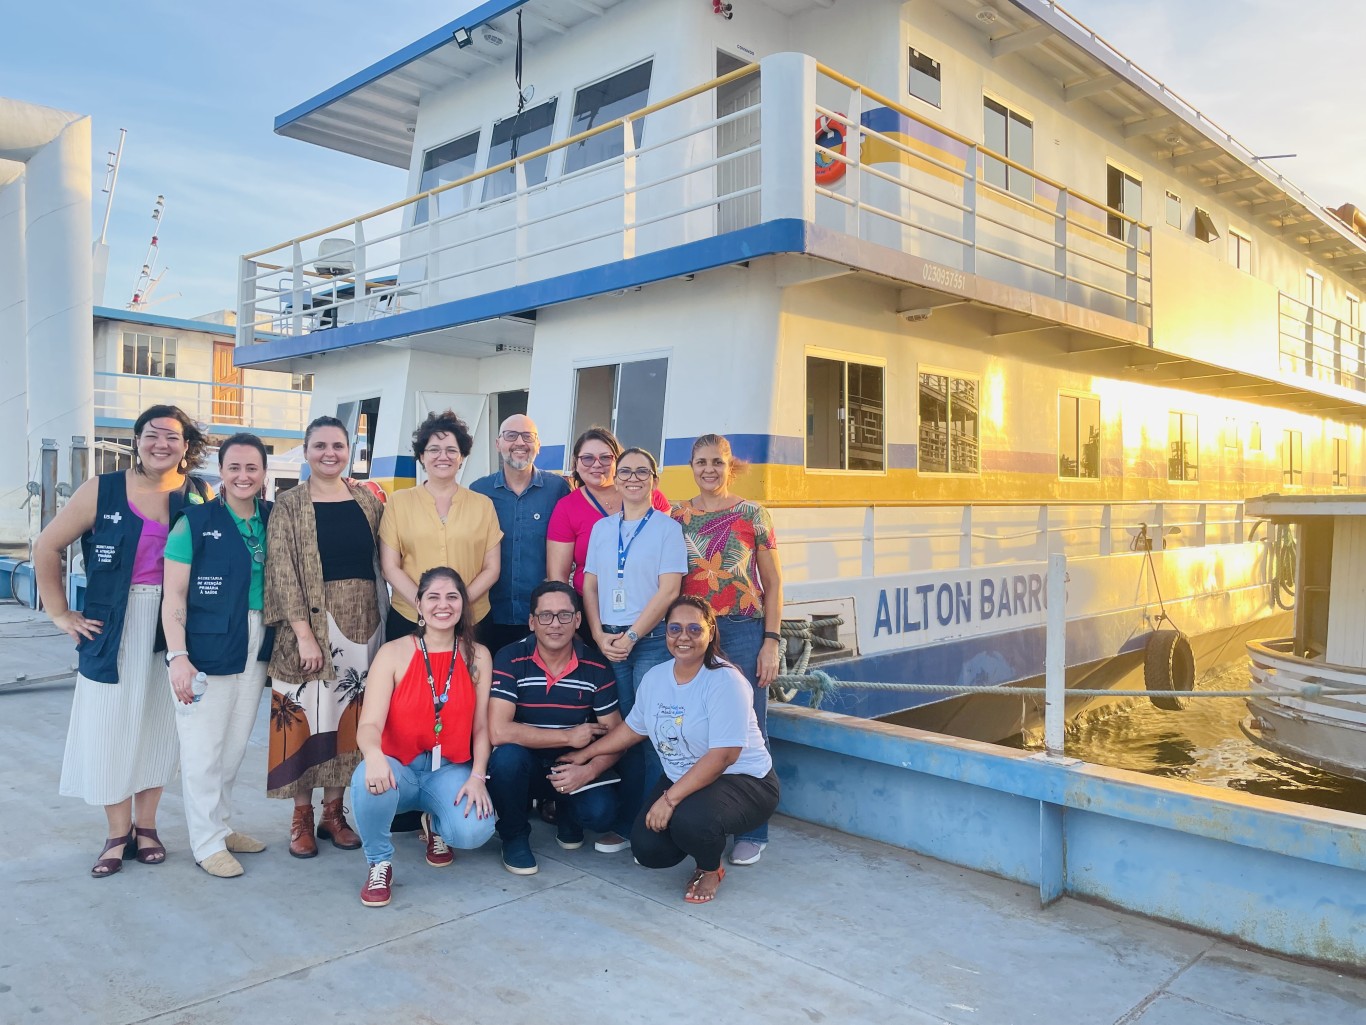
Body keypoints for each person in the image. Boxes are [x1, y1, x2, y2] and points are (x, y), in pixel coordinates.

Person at [33, 404, 210, 876]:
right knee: (110, 726)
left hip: (172, 626)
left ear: (185, 447)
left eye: (172, 437)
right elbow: (47, 545)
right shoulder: (103, 489)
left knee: (160, 725)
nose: (161, 444)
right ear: (136, 440)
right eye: (152, 435)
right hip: (112, 625)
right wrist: (59, 613)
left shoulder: (196, 494)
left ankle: (147, 826)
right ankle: (117, 832)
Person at [562, 596, 779, 904]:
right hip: (686, 776)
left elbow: (723, 757)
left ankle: (710, 867)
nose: (683, 637)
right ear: (665, 633)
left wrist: (670, 799)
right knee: (649, 850)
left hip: (744, 780)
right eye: (674, 628)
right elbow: (633, 729)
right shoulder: (655, 678)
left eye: (694, 628)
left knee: (690, 820)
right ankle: (705, 827)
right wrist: (585, 754)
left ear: (711, 631)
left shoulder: (725, 680)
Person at [264, 415, 386, 858]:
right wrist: (304, 635)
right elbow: (281, 571)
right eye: (320, 446)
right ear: (307, 450)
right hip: (310, 627)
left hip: (364, 624)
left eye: (338, 445)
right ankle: (302, 817)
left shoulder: (368, 500)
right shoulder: (289, 504)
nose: (329, 453)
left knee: (347, 721)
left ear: (349, 450)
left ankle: (334, 812)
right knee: (304, 720)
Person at [161, 434, 275, 878]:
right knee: (203, 748)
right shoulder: (193, 522)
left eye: (252, 468)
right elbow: (173, 595)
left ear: (264, 473)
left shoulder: (271, 517)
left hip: (256, 638)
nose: (243, 476)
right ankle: (205, 842)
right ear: (221, 472)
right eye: (234, 468)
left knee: (232, 747)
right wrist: (178, 656)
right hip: (206, 645)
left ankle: (220, 826)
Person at [351, 567, 496, 907]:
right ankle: (380, 861)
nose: (442, 605)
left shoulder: (478, 656)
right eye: (433, 597)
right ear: (418, 604)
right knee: (364, 781)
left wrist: (478, 777)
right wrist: (373, 757)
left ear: (463, 604)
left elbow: (481, 727)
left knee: (474, 832)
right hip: (398, 768)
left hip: (448, 769)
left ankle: (437, 827)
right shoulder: (393, 653)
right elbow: (369, 725)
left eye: (452, 596)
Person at [672, 433, 784, 866]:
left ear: (728, 464)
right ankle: (704, 817)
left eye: (717, 461)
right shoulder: (677, 515)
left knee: (751, 724)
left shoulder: (753, 513)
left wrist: (771, 642)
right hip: (690, 632)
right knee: (696, 724)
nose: (709, 469)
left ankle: (754, 829)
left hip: (741, 628)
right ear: (692, 465)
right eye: (701, 462)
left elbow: (773, 583)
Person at [582, 446, 685, 851]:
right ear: (616, 477)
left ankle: (656, 824)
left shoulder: (666, 528)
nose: (633, 478)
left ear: (654, 480)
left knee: (654, 733)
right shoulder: (602, 529)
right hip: (609, 639)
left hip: (651, 641)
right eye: (625, 471)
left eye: (643, 472)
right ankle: (629, 823)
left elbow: (670, 589)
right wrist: (598, 633)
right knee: (624, 731)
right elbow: (589, 585)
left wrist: (631, 637)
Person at [487, 581, 622, 875]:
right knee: (506, 759)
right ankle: (514, 836)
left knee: (601, 814)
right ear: (532, 622)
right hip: (527, 761)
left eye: (564, 615)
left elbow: (616, 734)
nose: (555, 624)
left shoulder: (596, 666)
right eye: (545, 616)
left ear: (577, 620)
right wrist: (568, 736)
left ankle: (567, 813)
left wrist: (589, 770)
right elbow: (498, 731)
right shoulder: (510, 657)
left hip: (573, 762)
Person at [381, 410, 502, 641]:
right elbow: (390, 567)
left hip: (472, 620)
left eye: (451, 450)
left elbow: (492, 568)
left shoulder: (483, 505)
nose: (442, 456)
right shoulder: (398, 502)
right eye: (434, 450)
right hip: (410, 618)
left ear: (462, 457)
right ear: (421, 457)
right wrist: (424, 604)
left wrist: (457, 604)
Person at [469, 413, 569, 655]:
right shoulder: (478, 492)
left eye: (528, 436)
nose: (520, 443)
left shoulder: (558, 489)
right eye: (511, 435)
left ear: (538, 445)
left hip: (541, 616)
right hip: (488, 614)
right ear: (498, 443)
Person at [546, 426, 670, 596]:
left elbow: (666, 557)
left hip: (648, 602)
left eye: (605, 458)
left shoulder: (650, 496)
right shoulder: (566, 508)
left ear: (618, 461)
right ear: (576, 463)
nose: (596, 465)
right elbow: (558, 577)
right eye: (587, 458)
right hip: (591, 605)